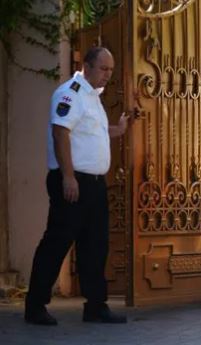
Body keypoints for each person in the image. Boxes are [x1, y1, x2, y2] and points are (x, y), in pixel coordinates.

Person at [24, 47, 129, 325]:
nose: (108, 75)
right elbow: (60, 133)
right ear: (87, 66)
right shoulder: (70, 93)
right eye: (103, 69)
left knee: (95, 245)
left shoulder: (93, 97)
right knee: (57, 243)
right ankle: (35, 306)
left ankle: (95, 306)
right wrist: (68, 177)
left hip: (94, 184)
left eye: (111, 70)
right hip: (73, 181)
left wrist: (117, 130)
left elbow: (90, 132)